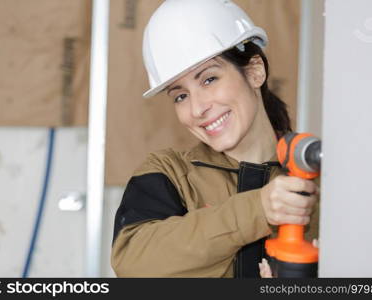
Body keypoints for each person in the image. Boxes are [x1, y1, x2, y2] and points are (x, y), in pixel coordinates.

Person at [111, 0, 319, 278]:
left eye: (209, 79)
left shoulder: (313, 173)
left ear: (254, 71)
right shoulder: (170, 173)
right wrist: (258, 209)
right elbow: (134, 261)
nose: (197, 109)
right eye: (180, 96)